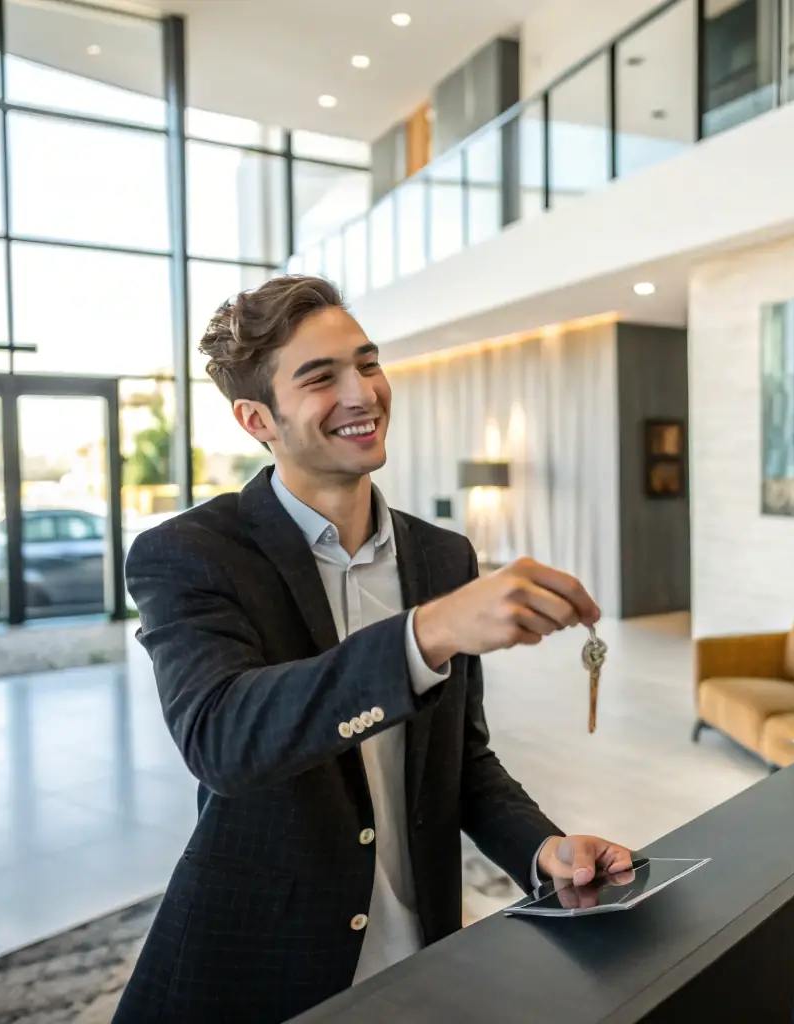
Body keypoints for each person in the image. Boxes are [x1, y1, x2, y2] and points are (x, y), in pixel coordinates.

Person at [114, 276, 632, 1023]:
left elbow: (462, 763)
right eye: (321, 378)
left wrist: (542, 850)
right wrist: (427, 634)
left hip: (421, 955)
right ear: (256, 417)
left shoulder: (442, 555)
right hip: (256, 965)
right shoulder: (190, 553)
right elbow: (223, 739)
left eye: (367, 363)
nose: (363, 393)